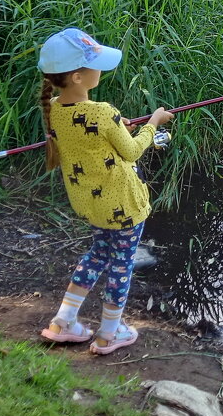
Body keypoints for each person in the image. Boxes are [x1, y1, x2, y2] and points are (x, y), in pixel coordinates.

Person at [37, 28, 174, 355]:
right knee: (121, 265)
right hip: (122, 205)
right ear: (77, 77)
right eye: (94, 64)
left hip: (92, 204)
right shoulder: (101, 112)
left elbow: (94, 140)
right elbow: (133, 152)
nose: (100, 69)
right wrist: (153, 123)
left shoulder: (55, 107)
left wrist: (116, 128)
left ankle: (63, 321)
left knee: (98, 254)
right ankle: (109, 333)